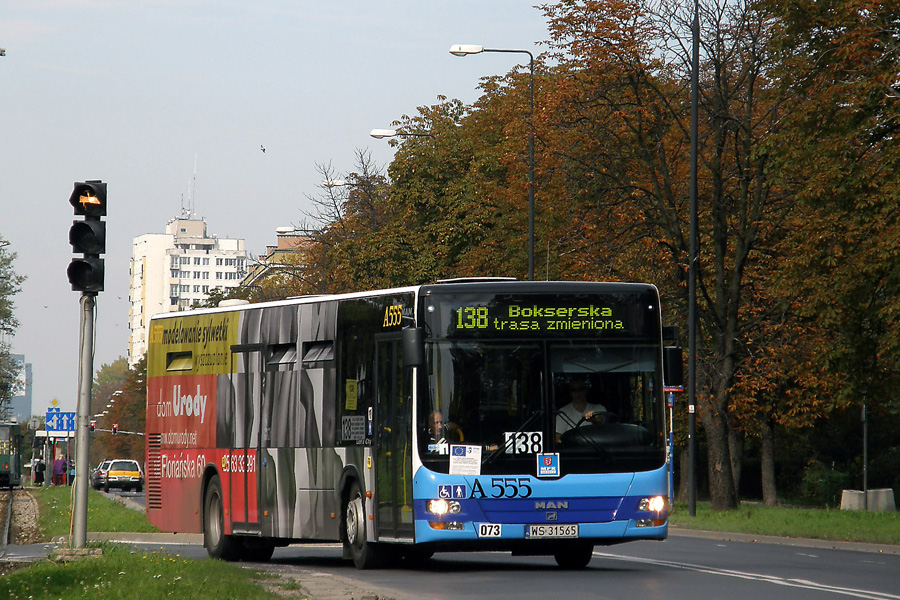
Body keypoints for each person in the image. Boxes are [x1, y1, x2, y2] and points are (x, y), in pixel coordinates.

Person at [556, 377, 607, 441]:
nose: (577, 393)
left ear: (586, 390)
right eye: (574, 390)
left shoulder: (598, 408)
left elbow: (602, 421)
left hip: (596, 448)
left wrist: (594, 419)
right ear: (570, 392)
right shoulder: (563, 412)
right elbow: (557, 436)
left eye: (581, 389)